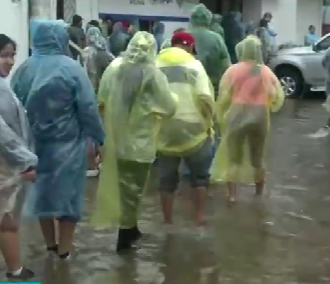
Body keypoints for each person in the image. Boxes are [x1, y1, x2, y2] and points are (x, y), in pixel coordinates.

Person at [10, 20, 105, 259]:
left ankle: (50, 245)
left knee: (42, 194)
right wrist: (98, 138)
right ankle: (64, 250)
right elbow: (87, 107)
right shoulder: (72, 69)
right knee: (69, 197)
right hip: (68, 144)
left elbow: (13, 108)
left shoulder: (23, 69)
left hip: (33, 145)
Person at [92, 32, 176, 252]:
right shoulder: (153, 74)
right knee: (135, 190)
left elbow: (100, 102)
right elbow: (169, 107)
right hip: (141, 145)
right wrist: (151, 110)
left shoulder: (113, 69)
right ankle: (125, 237)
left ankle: (131, 229)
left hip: (116, 143)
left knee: (122, 189)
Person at [210, 36, 284, 205]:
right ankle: (259, 193)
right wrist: (267, 104)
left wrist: (221, 113)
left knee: (233, 156)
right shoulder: (265, 71)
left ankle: (232, 196)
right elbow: (276, 94)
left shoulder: (233, 70)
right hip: (260, 114)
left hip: (238, 112)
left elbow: (224, 94)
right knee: (258, 157)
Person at [156, 32, 215, 226]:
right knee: (199, 178)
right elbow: (205, 98)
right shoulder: (194, 65)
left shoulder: (155, 65)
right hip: (193, 129)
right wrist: (209, 123)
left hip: (164, 129)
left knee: (167, 181)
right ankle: (198, 217)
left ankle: (167, 221)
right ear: (189, 47)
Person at [0, 34, 38, 280]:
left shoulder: (4, 85)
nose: (10, 61)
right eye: (4, 55)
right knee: (7, 220)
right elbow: (3, 132)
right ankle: (16, 272)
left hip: (8, 161)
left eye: (13, 55)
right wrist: (26, 161)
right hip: (6, 164)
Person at [82, 26, 115, 177]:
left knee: (90, 131)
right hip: (105, 97)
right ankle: (104, 161)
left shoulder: (86, 53)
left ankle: (91, 164)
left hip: (88, 95)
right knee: (103, 131)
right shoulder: (106, 54)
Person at [189, 4, 231, 97]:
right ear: (208, 19)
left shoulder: (182, 37)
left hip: (189, 88)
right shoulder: (216, 38)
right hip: (211, 87)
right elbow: (226, 65)